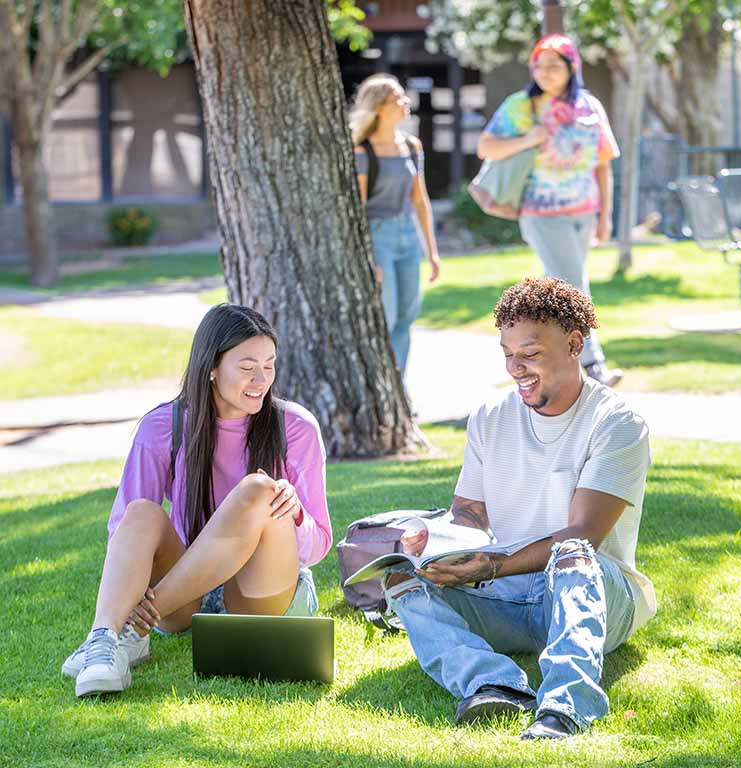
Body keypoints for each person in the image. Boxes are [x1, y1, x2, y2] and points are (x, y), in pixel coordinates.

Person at [384, 277, 656, 739]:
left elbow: (583, 534)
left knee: (573, 554)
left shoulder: (617, 423)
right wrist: (435, 544)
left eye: (530, 354)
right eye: (508, 354)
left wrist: (491, 565)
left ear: (574, 344)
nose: (516, 368)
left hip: (594, 597)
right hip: (508, 595)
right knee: (401, 581)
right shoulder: (490, 417)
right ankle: (493, 684)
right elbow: (469, 514)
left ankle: (566, 709)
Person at [61, 304, 332, 697]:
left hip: (262, 595)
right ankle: (103, 638)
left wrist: (294, 514)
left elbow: (319, 542)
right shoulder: (163, 427)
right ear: (211, 367)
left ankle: (130, 629)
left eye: (269, 365)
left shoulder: (296, 427)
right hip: (189, 593)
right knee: (139, 513)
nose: (261, 379)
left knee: (257, 489)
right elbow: (125, 535)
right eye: (247, 367)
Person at [477, 34, 622, 387]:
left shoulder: (589, 107)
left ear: (572, 67)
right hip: (542, 213)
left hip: (584, 212)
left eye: (554, 65)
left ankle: (544, 357)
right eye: (539, 65)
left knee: (557, 287)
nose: (545, 72)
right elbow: (486, 147)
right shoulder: (522, 106)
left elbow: (603, 165)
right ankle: (593, 362)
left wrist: (606, 217)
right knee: (574, 282)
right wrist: (529, 138)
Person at [350, 73, 441, 374]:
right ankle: (381, 384)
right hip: (378, 238)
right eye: (397, 99)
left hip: (407, 236)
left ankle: (398, 389)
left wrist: (432, 251)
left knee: (406, 315)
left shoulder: (412, 146)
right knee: (386, 316)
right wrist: (365, 258)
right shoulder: (363, 151)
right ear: (378, 107)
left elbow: (420, 200)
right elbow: (358, 209)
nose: (405, 103)